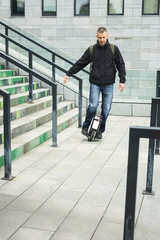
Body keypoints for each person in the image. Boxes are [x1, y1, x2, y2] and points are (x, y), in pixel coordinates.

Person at [64, 27, 126, 139]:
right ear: (97, 37)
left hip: (109, 84)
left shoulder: (113, 49)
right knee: (93, 105)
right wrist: (69, 73)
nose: (102, 40)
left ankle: (100, 131)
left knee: (106, 109)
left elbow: (120, 64)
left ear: (107, 36)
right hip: (95, 83)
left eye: (104, 37)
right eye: (100, 37)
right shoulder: (92, 49)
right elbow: (80, 63)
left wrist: (122, 80)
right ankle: (85, 126)